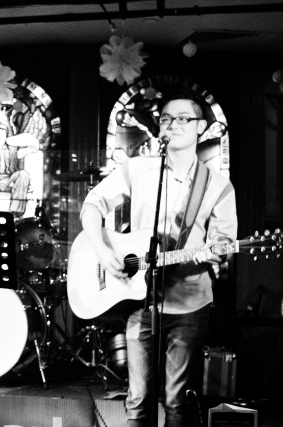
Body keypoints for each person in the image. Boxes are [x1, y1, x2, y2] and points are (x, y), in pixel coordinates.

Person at [79, 91, 237, 427]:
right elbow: (92, 205)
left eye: (183, 119)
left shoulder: (217, 185)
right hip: (142, 300)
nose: (173, 125)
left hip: (190, 302)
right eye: (166, 119)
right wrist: (103, 250)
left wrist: (216, 251)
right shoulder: (138, 169)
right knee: (138, 400)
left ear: (200, 127)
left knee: (177, 401)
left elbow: (223, 240)